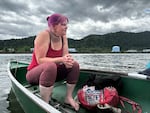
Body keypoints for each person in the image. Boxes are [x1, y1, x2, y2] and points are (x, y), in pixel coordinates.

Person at [26, 13, 80, 111]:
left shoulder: (63, 37)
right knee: (50, 66)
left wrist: (67, 61)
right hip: (34, 74)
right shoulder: (44, 35)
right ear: (54, 26)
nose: (66, 27)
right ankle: (45, 104)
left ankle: (68, 97)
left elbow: (65, 56)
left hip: (52, 73)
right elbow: (40, 60)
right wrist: (61, 60)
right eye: (63, 24)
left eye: (66, 24)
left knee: (74, 65)